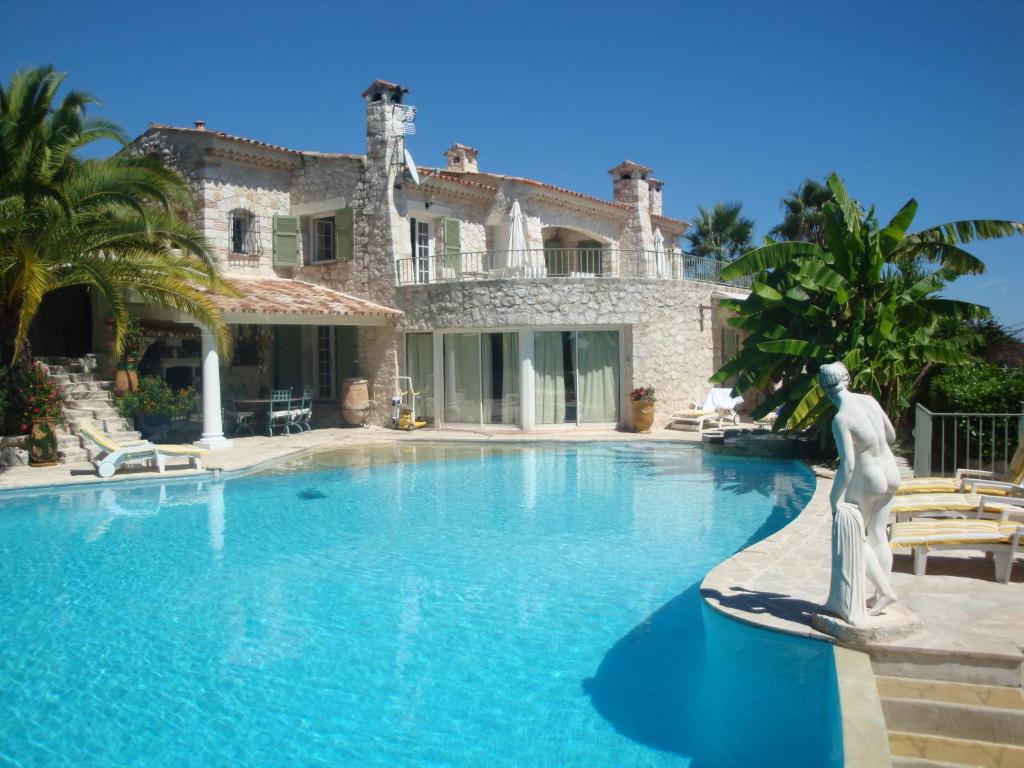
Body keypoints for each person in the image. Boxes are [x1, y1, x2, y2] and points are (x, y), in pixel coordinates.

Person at [819, 361, 900, 620]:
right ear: (847, 379)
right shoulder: (869, 401)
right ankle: (879, 597)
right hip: (891, 472)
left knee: (856, 536)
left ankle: (885, 591)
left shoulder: (841, 418)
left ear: (824, 388)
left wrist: (834, 498)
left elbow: (849, 464)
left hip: (870, 478)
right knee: (878, 534)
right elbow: (891, 435)